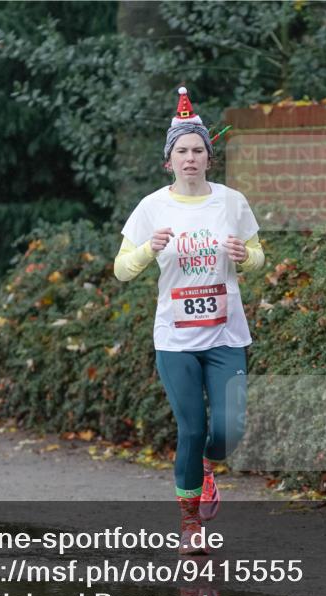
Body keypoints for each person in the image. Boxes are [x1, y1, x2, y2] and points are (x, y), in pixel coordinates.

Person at [114, 87, 265, 555]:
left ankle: (206, 469)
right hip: (175, 338)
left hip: (226, 333)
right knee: (192, 428)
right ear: (169, 159)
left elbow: (258, 256)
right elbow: (121, 270)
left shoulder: (231, 202)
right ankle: (190, 524)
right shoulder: (152, 207)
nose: (191, 158)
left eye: (198, 149)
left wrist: (247, 257)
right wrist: (147, 249)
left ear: (208, 156)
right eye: (182, 150)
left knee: (229, 428)